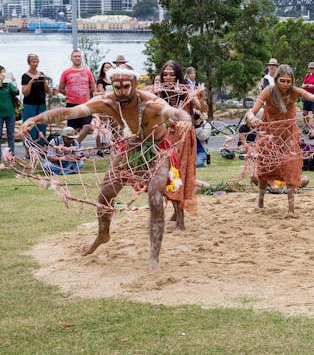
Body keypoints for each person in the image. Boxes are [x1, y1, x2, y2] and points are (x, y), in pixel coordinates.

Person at [20, 66, 193, 269]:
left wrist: (186, 121)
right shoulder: (106, 102)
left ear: (135, 85)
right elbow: (69, 111)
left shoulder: (150, 103)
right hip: (130, 147)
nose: (122, 92)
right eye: (117, 87)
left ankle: (154, 255)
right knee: (105, 195)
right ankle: (103, 233)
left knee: (155, 196)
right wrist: (35, 119)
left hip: (158, 148)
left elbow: (176, 112)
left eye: (126, 87)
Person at [244, 64, 314, 213]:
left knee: (291, 166)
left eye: (289, 81)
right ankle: (260, 202)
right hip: (269, 134)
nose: (286, 84)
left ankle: (291, 209)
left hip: (289, 135)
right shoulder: (268, 91)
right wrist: (251, 117)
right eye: (283, 81)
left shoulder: (294, 92)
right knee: (265, 167)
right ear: (276, 80)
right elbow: (253, 110)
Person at [155, 60, 200, 230]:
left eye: (172, 74)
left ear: (178, 76)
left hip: (184, 137)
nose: (168, 77)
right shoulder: (159, 95)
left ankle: (181, 222)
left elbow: (200, 108)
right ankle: (176, 214)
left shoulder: (186, 92)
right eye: (165, 74)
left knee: (177, 175)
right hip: (167, 138)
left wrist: (196, 99)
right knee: (166, 175)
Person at [57, 50, 96, 144]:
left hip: (85, 104)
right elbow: (61, 88)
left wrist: (84, 94)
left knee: (87, 126)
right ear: (71, 58)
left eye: (79, 56)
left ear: (81, 58)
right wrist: (71, 94)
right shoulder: (66, 72)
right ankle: (75, 150)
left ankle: (75, 145)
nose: (77, 58)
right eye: (75, 56)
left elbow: (92, 88)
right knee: (74, 130)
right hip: (72, 104)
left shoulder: (87, 72)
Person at [21, 53, 50, 147]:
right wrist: (30, 82)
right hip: (29, 104)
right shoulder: (25, 76)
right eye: (33, 62)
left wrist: (44, 81)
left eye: (37, 62)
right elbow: (25, 93)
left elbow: (47, 91)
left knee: (42, 126)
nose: (35, 64)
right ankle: (29, 148)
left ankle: (41, 147)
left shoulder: (41, 74)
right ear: (29, 63)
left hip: (41, 104)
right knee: (29, 127)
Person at [0, 66, 20, 157]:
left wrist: (13, 82)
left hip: (10, 113)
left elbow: (16, 92)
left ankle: (11, 155)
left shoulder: (8, 84)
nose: (3, 74)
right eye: (1, 73)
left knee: (10, 135)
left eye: (4, 72)